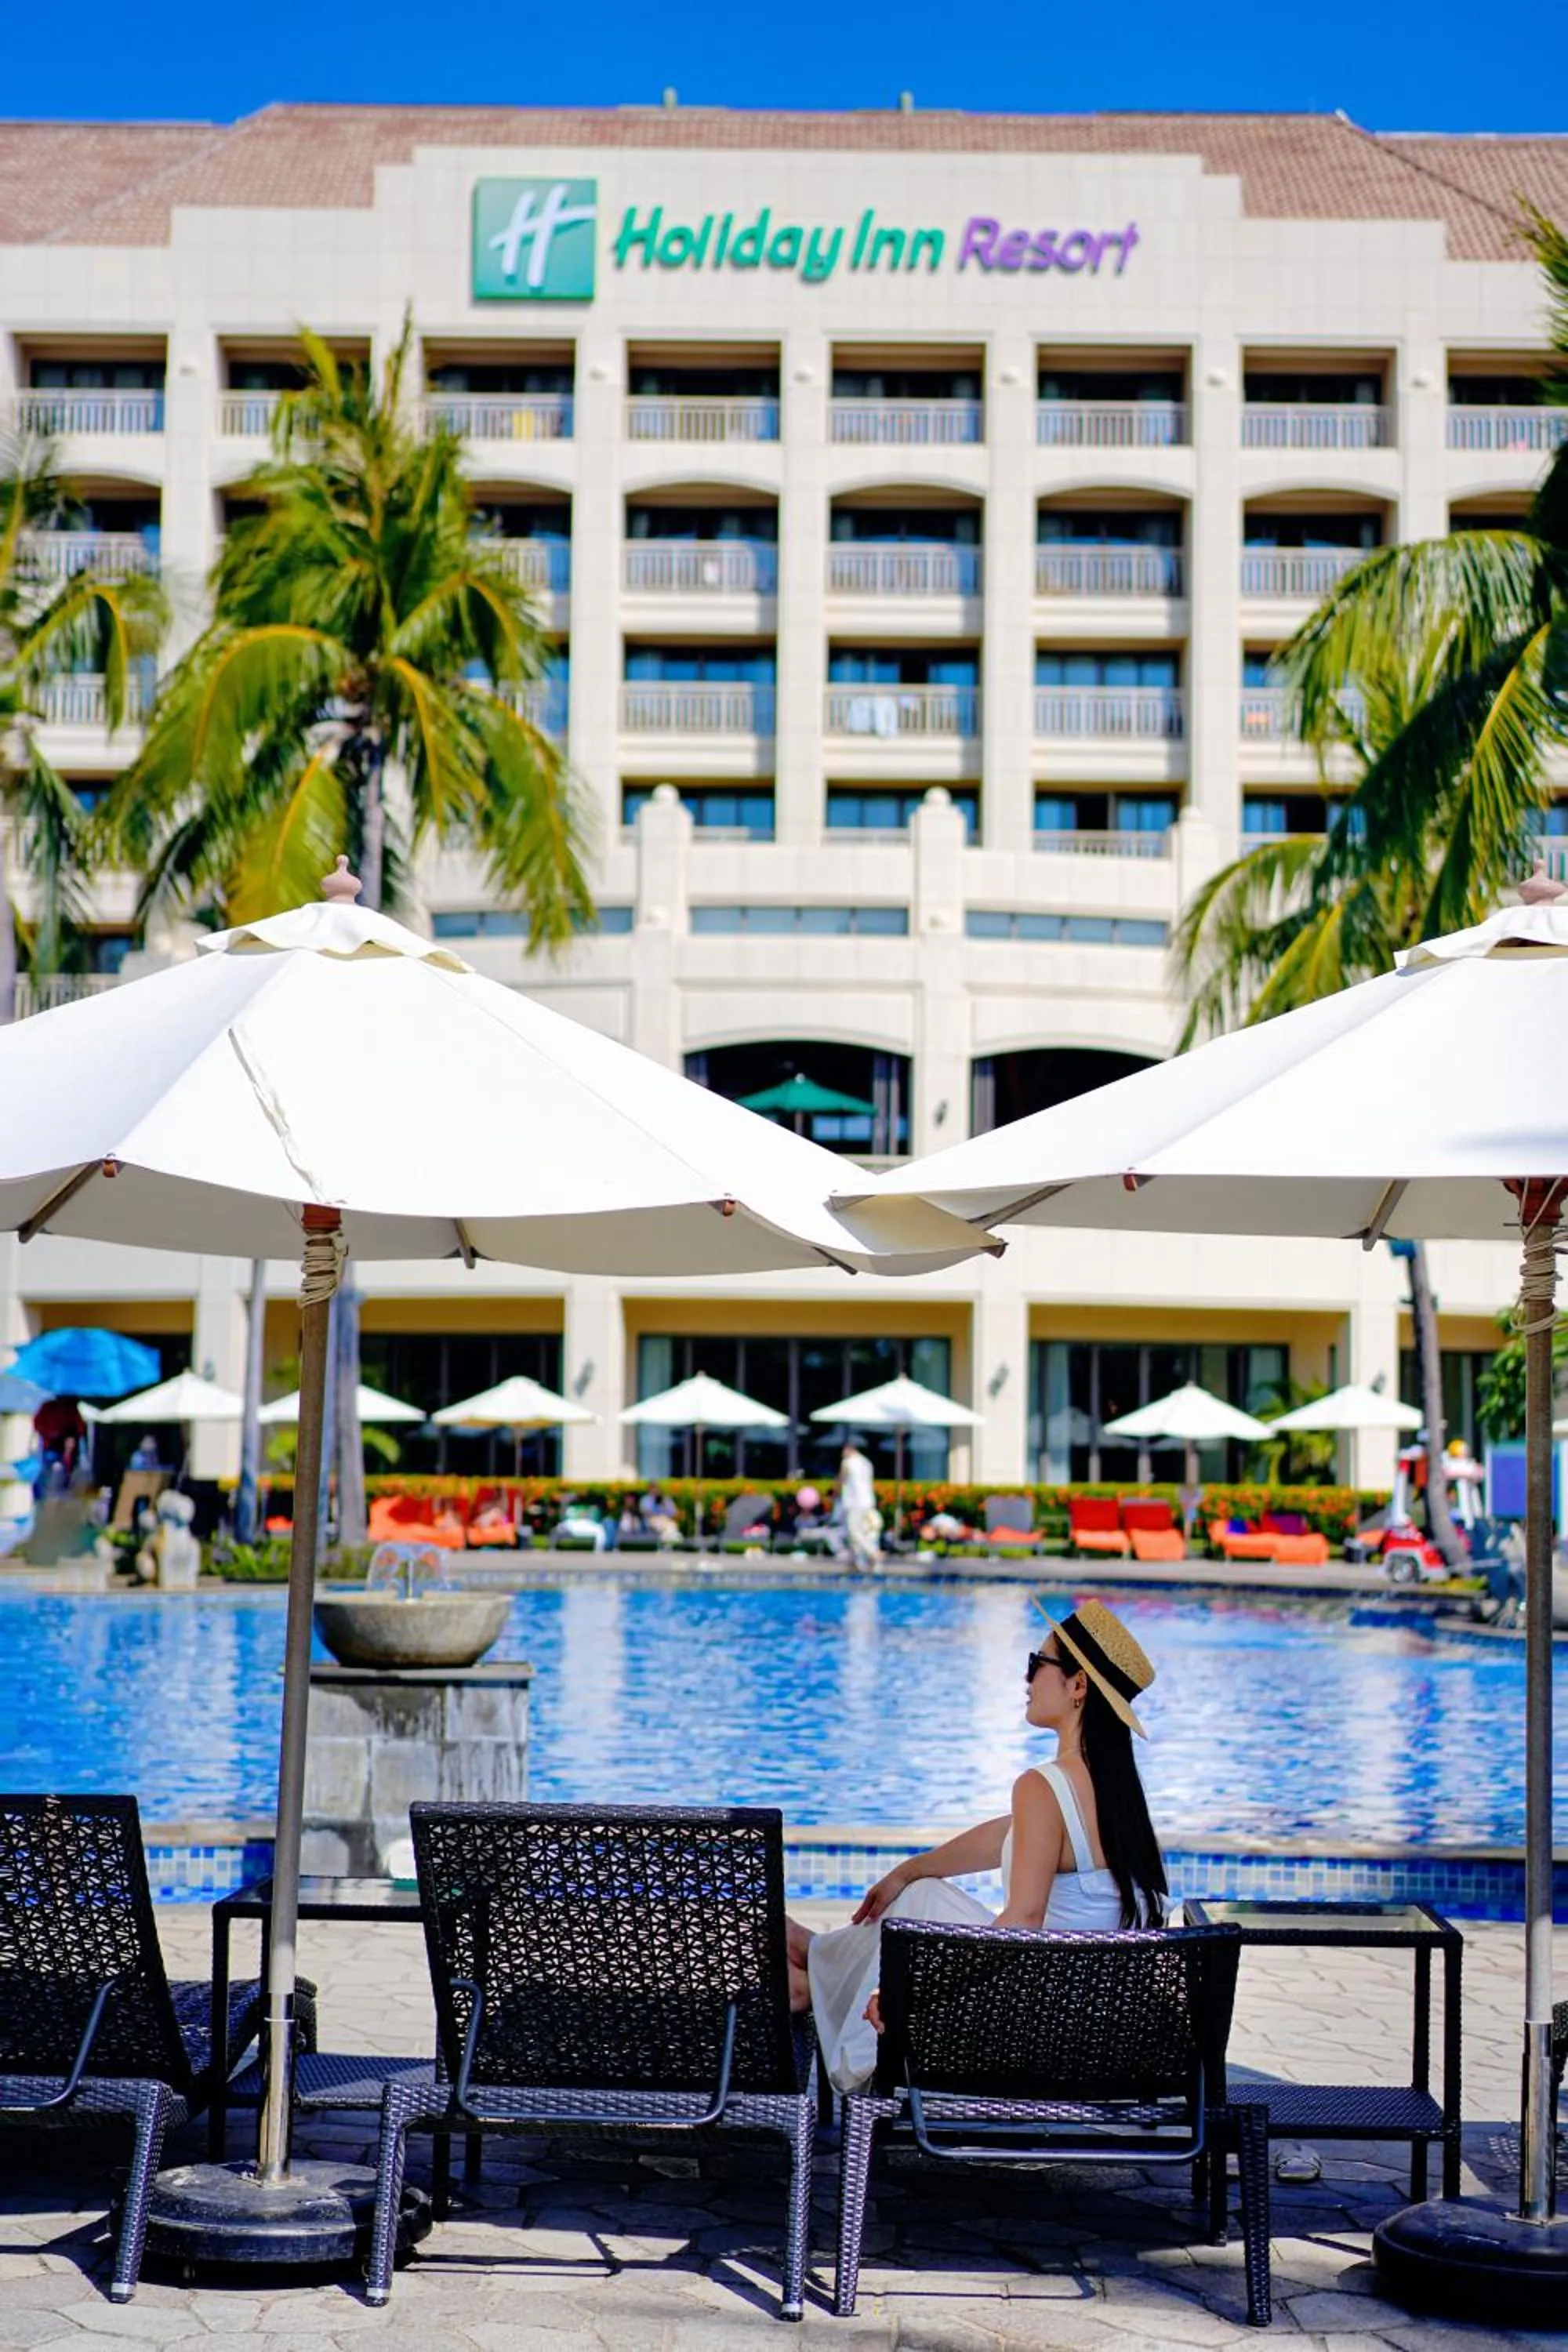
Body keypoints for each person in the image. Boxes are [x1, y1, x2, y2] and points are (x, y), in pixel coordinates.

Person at [790, 1598, 1167, 2092]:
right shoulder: (1117, 1798)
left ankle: (812, 1974)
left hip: (1031, 2037)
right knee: (924, 1893)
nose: (1027, 1679)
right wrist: (910, 1869)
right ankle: (816, 1963)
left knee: (918, 1916)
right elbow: (1007, 1836)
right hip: (1092, 2028)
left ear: (1078, 1686)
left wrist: (911, 1988)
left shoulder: (1044, 1786)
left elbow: (1023, 1921)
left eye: (1037, 1663)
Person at [836, 1440, 881, 1570]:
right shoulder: (866, 1462)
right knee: (862, 1532)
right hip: (868, 1501)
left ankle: (873, 1552)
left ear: (849, 1449)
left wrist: (836, 1491)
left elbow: (842, 1479)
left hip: (854, 1502)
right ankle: (856, 1561)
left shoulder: (848, 1462)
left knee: (854, 1531)